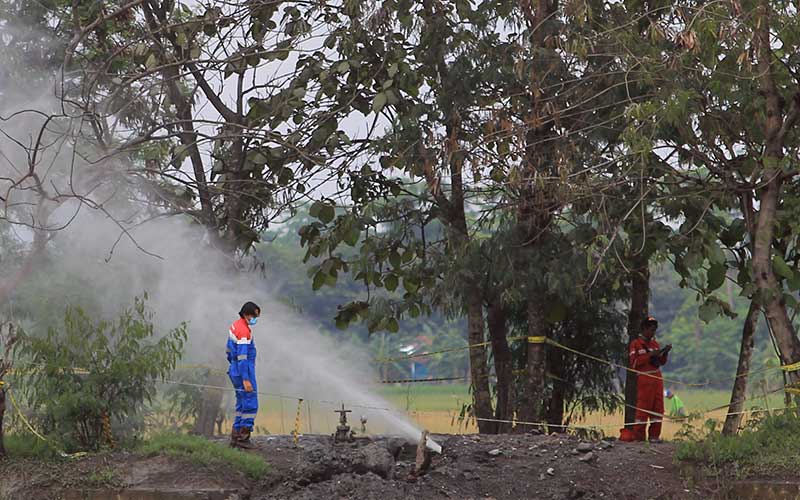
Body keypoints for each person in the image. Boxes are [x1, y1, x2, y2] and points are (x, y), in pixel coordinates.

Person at [629, 316, 671, 442]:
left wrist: (665, 353)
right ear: (644, 329)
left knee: (658, 408)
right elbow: (634, 363)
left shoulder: (655, 344)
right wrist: (649, 355)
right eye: (651, 330)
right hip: (644, 379)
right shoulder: (635, 344)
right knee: (643, 408)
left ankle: (654, 437)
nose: (653, 333)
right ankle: (639, 438)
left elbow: (661, 362)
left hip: (657, 379)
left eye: (654, 330)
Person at [227, 301, 260, 449]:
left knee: (241, 403)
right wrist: (246, 379)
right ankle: (243, 438)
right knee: (251, 404)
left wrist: (233, 366)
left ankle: (235, 437)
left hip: (234, 369)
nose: (256, 320)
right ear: (247, 314)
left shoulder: (235, 325)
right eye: (255, 316)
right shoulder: (243, 332)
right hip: (243, 370)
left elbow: (229, 351)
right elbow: (242, 357)